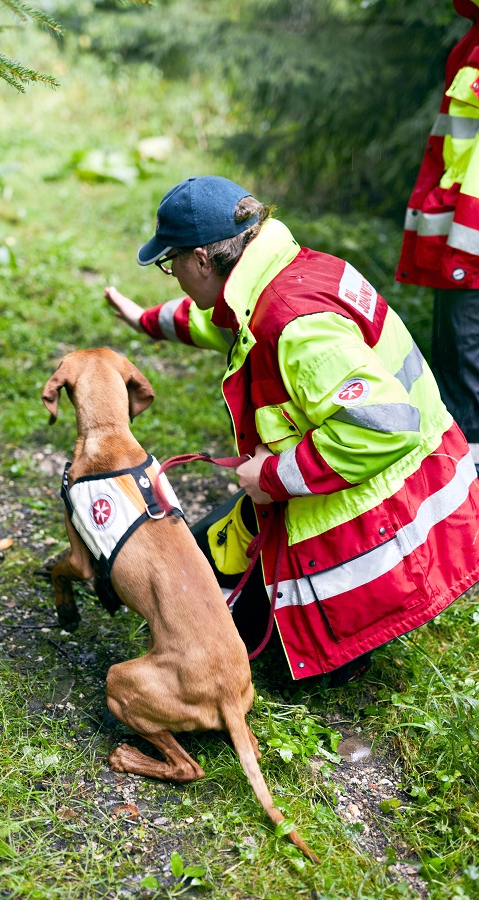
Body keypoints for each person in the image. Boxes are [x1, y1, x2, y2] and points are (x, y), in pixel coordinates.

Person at [105, 174, 479, 684]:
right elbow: (216, 320)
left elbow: (387, 425)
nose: (173, 277)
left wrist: (274, 477)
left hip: (381, 527)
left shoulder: (293, 322)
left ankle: (353, 637)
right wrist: (144, 319)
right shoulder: (283, 273)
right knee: (192, 567)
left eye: (171, 265)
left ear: (200, 260)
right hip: (367, 489)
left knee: (228, 642)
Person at [396, 0, 479, 471]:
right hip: (460, 241)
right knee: (455, 376)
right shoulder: (471, 42)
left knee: (468, 385)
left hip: (470, 246)